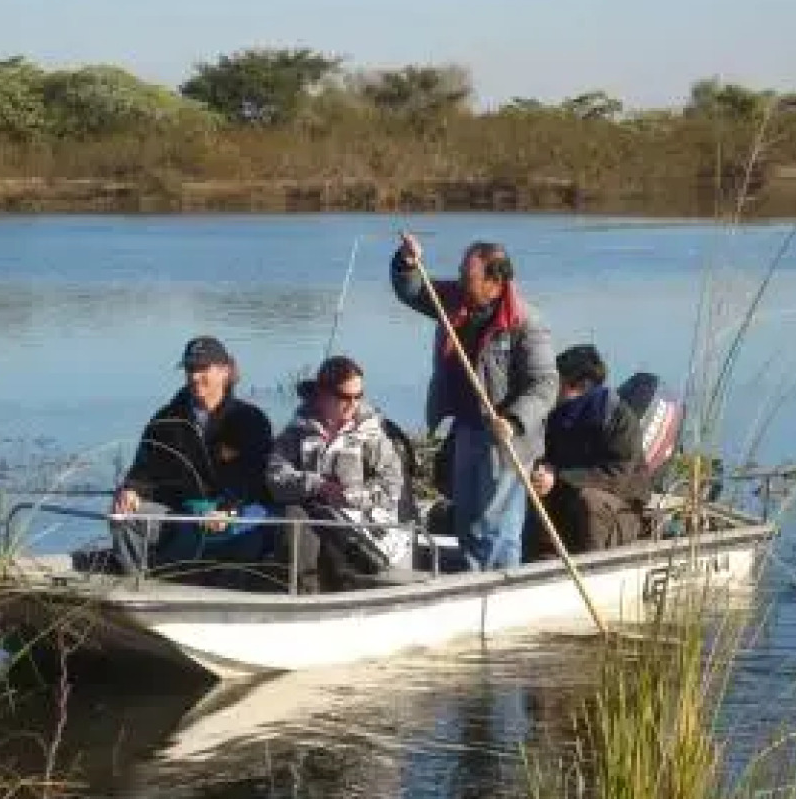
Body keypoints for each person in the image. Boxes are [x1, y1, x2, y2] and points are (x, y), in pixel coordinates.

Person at [390, 234, 557, 571]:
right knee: (466, 518)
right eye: (462, 275)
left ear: (496, 282)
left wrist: (512, 419)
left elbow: (545, 384)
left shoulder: (525, 322)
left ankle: (499, 589)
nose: (463, 283)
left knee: (495, 525)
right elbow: (412, 291)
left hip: (508, 439)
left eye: (471, 278)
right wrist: (406, 262)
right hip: (468, 427)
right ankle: (471, 584)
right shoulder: (454, 301)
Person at [110, 335, 274, 577]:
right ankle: (138, 584)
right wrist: (131, 489)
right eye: (190, 369)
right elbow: (144, 470)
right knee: (123, 516)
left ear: (224, 371)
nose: (195, 377)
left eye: (203, 369)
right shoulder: (165, 420)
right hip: (182, 512)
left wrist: (227, 509)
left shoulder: (251, 420)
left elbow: (255, 477)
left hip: (235, 513)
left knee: (247, 535)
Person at [265, 356, 413, 592]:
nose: (352, 404)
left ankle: (345, 588)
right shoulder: (298, 429)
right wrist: (317, 485)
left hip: (362, 526)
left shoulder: (373, 435)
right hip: (312, 517)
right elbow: (275, 475)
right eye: (345, 397)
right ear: (322, 394)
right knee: (295, 517)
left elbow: (392, 487)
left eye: (358, 396)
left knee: (329, 530)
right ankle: (302, 593)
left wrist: (350, 497)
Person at [525, 344, 650, 560]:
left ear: (581, 385)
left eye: (557, 381)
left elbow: (616, 476)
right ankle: (535, 558)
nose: (550, 386)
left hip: (621, 509)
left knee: (589, 500)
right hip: (567, 499)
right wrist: (539, 470)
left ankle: (592, 567)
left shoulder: (619, 419)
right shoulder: (555, 414)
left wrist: (558, 476)